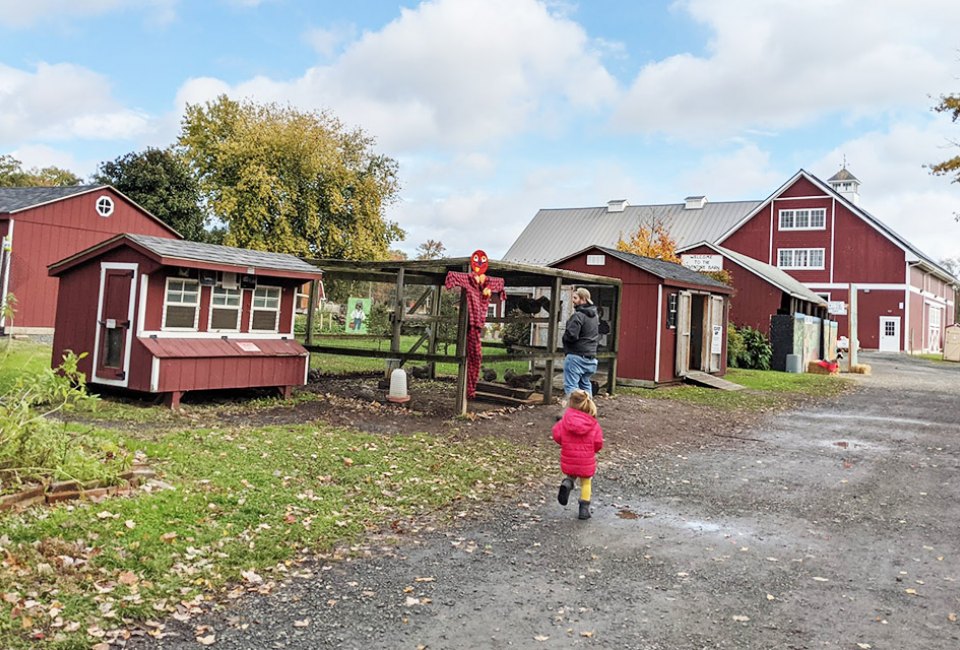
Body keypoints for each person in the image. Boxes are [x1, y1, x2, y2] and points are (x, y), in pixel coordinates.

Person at [552, 389, 604, 520]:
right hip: (586, 460)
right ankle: (584, 509)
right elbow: (598, 442)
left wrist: (564, 443)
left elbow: (557, 434)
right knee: (586, 482)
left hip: (569, 456)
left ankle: (568, 483)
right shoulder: (593, 424)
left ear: (570, 403)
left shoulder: (564, 421)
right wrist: (594, 450)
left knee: (572, 474)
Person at [562, 287, 599, 399]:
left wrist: (565, 337)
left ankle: (573, 414)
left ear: (583, 299)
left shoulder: (578, 316)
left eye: (575, 297)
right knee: (585, 385)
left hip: (576, 357)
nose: (573, 300)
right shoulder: (595, 316)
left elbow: (572, 335)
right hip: (590, 358)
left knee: (571, 387)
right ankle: (588, 411)